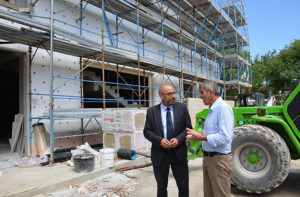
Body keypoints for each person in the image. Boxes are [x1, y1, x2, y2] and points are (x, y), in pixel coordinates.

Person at [186, 81, 234, 197]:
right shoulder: (212, 109)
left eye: (202, 92)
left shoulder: (223, 109)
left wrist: (201, 137)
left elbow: (225, 136)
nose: (200, 96)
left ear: (211, 92)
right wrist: (198, 133)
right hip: (209, 159)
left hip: (219, 160)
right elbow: (212, 132)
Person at [144, 84, 192, 197]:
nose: (173, 96)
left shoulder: (182, 108)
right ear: (161, 96)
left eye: (174, 93)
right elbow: (147, 131)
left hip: (179, 153)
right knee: (161, 187)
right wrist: (159, 141)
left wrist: (179, 139)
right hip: (160, 155)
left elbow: (188, 128)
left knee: (183, 186)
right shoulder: (152, 112)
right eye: (169, 94)